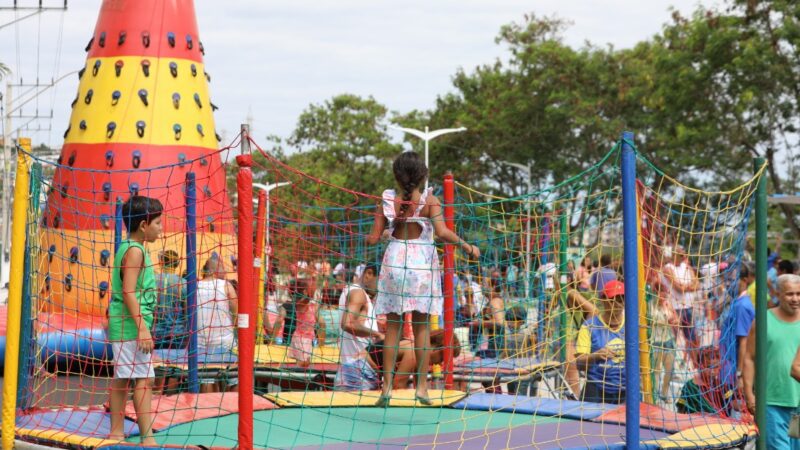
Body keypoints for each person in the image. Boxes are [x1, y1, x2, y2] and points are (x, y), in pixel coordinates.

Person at [367, 151, 480, 407]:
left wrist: (381, 232)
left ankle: (386, 387)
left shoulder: (387, 201)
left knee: (393, 328)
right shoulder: (430, 201)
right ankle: (421, 387)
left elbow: (372, 239)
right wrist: (467, 246)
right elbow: (442, 232)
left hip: (395, 263)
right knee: (421, 329)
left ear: (397, 176)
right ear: (422, 176)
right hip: (421, 267)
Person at [107, 196, 163, 444]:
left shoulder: (128, 247)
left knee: (123, 378)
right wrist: (142, 328)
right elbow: (128, 291)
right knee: (144, 379)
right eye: (158, 223)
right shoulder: (135, 251)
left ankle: (117, 431)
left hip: (125, 324)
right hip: (131, 326)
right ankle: (147, 437)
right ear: (143, 225)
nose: (161, 228)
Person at [742, 274, 800, 449]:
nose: (795, 299)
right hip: (771, 403)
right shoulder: (763, 320)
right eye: (790, 294)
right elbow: (749, 358)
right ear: (777, 293)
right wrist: (749, 394)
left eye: (798, 294)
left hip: (797, 405)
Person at [575, 280, 626, 404]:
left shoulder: (633, 326)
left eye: (621, 299)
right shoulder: (589, 326)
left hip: (625, 389)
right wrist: (595, 356)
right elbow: (579, 363)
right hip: (596, 388)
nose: (617, 304)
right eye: (612, 300)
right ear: (603, 300)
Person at [335, 265, 385, 390]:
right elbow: (348, 323)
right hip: (358, 372)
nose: (382, 288)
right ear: (369, 274)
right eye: (381, 282)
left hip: (355, 370)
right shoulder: (358, 293)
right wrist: (378, 335)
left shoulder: (356, 293)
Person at [196, 257, 238, 392]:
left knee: (206, 378)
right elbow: (236, 312)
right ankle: (233, 404)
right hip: (225, 341)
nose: (225, 272)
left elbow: (188, 313)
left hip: (202, 341)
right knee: (233, 377)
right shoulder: (225, 286)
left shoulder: (195, 286)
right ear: (215, 270)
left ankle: (209, 405)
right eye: (223, 269)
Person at [718, 261, 755, 413]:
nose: (728, 284)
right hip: (728, 369)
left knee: (734, 414)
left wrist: (740, 375)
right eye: (726, 280)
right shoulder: (736, 302)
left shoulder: (742, 306)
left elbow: (744, 342)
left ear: (744, 280)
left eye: (732, 280)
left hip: (733, 373)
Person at [661, 245, 700, 347]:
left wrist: (685, 286)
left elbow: (697, 285)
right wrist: (689, 286)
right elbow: (678, 288)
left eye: (684, 254)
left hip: (688, 307)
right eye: (681, 255)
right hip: (674, 309)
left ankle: (692, 357)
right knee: (672, 340)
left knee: (692, 339)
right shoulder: (668, 268)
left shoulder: (686, 267)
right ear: (674, 255)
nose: (684, 257)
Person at [153, 250, 187, 349]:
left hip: (156, 334)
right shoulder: (183, 283)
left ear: (161, 262)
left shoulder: (152, 280)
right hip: (178, 334)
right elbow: (187, 313)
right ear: (177, 264)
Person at [650, 290, 678, 403]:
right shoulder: (650, 305)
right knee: (656, 371)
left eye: (665, 294)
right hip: (655, 341)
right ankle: (655, 396)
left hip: (668, 340)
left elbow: (676, 319)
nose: (663, 297)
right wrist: (666, 322)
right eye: (661, 294)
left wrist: (674, 320)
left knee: (669, 370)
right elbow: (651, 321)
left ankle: (664, 393)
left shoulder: (667, 305)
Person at [503, 306, 537, 396]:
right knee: (511, 391)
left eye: (512, 321)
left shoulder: (527, 332)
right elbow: (505, 350)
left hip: (524, 368)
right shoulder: (507, 332)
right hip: (511, 367)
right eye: (508, 321)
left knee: (520, 393)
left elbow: (534, 343)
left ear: (521, 322)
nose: (509, 324)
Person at [286, 277, 319, 368]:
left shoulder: (311, 305)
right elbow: (307, 299)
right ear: (305, 292)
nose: (314, 290)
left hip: (308, 338)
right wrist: (310, 294)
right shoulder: (300, 304)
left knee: (306, 363)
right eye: (311, 289)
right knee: (302, 364)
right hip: (301, 338)